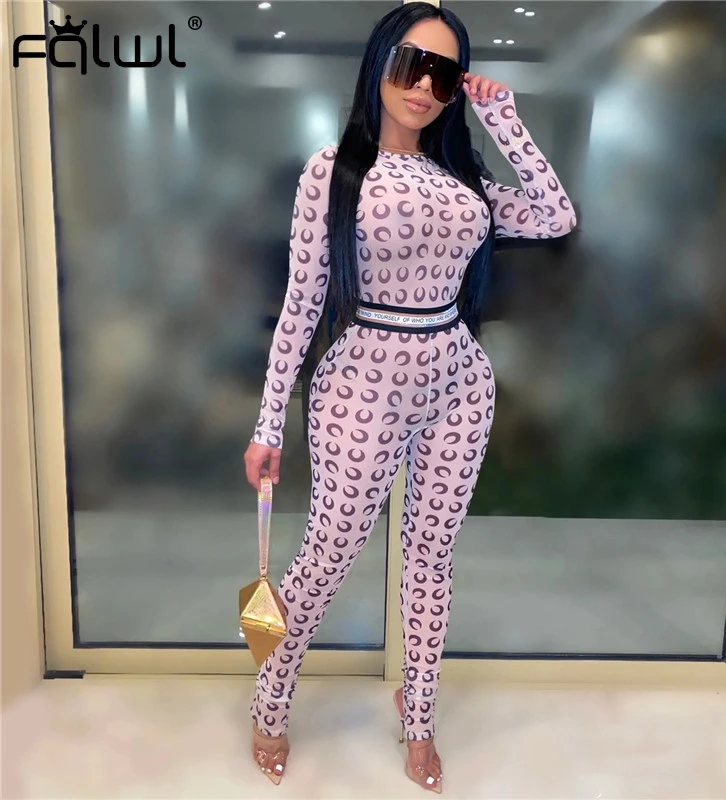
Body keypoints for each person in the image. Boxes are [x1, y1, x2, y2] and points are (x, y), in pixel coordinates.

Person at [243, 1, 575, 791]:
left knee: (432, 558)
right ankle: (270, 695)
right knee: (327, 552)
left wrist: (504, 119)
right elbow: (301, 304)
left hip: (458, 380)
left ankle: (418, 714)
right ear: (380, 61)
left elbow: (555, 216)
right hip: (362, 381)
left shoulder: (462, 180)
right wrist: (267, 423)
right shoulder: (333, 170)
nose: (424, 85)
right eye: (411, 64)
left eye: (445, 74)